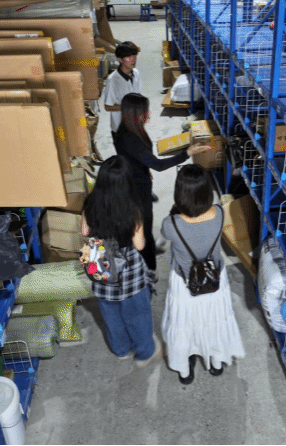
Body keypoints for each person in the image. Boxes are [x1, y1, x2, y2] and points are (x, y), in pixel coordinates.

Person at [160, 164, 245, 385]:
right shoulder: (219, 213)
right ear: (206, 191)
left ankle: (185, 371)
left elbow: (165, 234)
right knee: (213, 322)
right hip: (215, 279)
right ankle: (216, 364)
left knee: (184, 326)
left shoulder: (171, 224)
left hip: (185, 284)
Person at [114, 93, 210, 273]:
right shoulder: (130, 140)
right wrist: (186, 153)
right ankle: (149, 268)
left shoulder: (127, 131)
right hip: (136, 190)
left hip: (136, 181)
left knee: (143, 225)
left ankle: (147, 251)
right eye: (145, 111)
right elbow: (158, 165)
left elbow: (133, 159)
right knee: (144, 227)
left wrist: (144, 167)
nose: (149, 114)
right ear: (135, 114)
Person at [80, 155, 161, 367]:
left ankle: (121, 350)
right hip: (128, 270)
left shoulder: (91, 203)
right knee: (137, 314)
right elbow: (139, 245)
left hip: (100, 264)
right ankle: (144, 351)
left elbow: (85, 232)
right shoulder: (132, 209)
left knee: (111, 314)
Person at [102, 41, 142, 141]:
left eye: (134, 56)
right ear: (120, 60)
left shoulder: (136, 73)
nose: (133, 60)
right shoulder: (113, 80)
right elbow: (108, 107)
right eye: (128, 57)